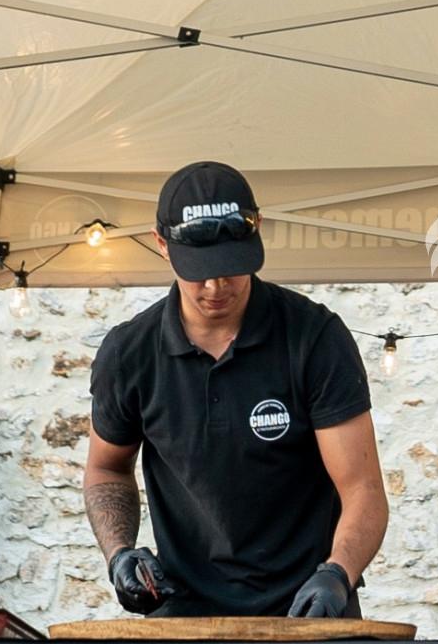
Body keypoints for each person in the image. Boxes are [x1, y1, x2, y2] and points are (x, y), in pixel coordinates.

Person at [82, 161, 388, 618]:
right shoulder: (131, 353)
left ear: (257, 229)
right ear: (162, 244)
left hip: (309, 608)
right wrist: (120, 553)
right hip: (183, 613)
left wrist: (337, 574)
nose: (215, 285)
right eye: (199, 270)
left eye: (230, 267)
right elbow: (106, 470)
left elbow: (363, 489)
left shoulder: (314, 337)